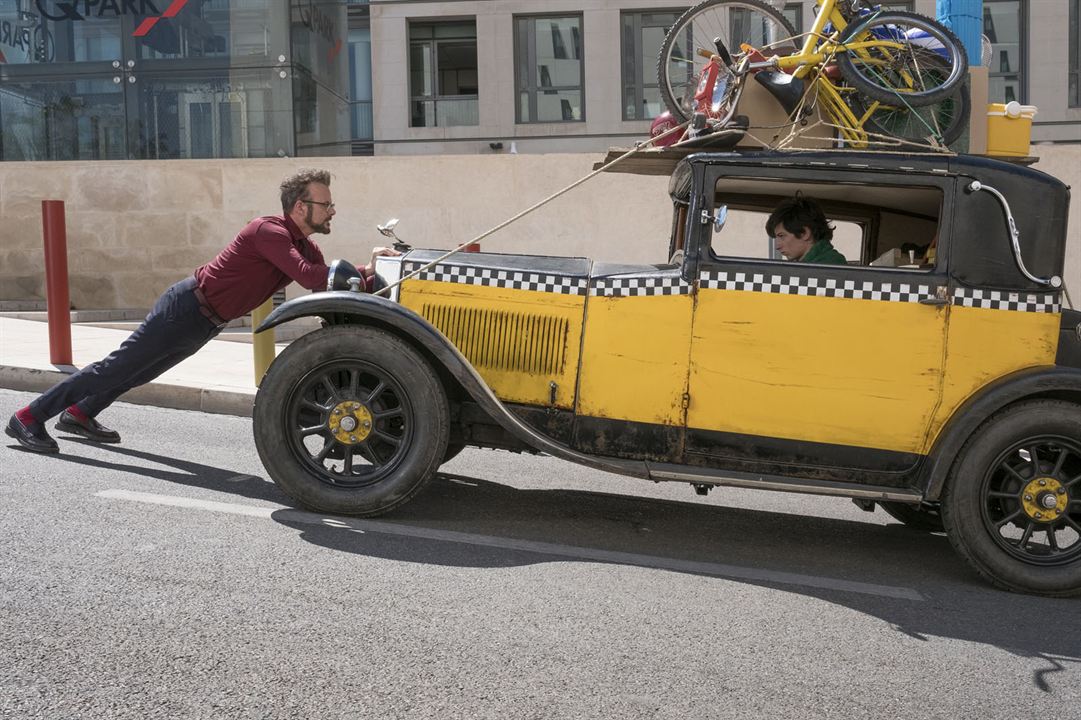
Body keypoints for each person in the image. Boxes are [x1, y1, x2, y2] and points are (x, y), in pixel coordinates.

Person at [6, 169, 399, 454]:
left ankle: (79, 412)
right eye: (325, 204)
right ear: (300, 206)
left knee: (142, 371)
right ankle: (27, 417)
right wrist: (362, 265)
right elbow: (310, 276)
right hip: (185, 308)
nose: (332, 210)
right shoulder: (270, 232)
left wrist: (371, 269)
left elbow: (320, 279)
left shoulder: (305, 245)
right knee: (114, 368)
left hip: (205, 322)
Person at [766, 195, 847, 265]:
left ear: (804, 233)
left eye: (782, 236)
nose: (777, 246)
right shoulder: (808, 264)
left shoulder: (829, 265)